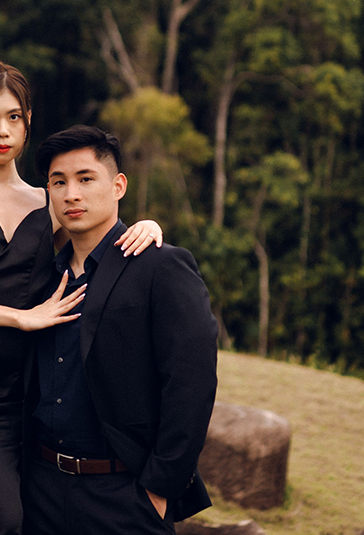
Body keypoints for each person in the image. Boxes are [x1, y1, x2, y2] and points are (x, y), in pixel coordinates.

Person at [0, 61, 164, 535]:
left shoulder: (47, 201)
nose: (2, 131)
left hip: (22, 392)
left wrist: (148, 226)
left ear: (28, 121)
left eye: (14, 117)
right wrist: (21, 318)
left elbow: (99, 226)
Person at [21, 125, 218, 534]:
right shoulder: (40, 278)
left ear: (118, 186)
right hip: (40, 491)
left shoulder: (161, 267)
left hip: (123, 495)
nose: (71, 194)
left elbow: (191, 383)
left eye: (86, 179)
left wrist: (159, 489)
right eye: (59, 182)